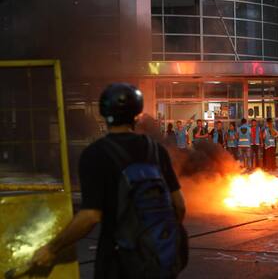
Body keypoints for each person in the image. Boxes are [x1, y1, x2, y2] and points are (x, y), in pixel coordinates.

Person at [31, 83, 187, 278]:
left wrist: (52, 248)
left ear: (103, 113)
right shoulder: (156, 150)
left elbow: (90, 216)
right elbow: (179, 205)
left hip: (117, 262)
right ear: (136, 114)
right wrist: (162, 238)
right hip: (156, 261)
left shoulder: (95, 154)